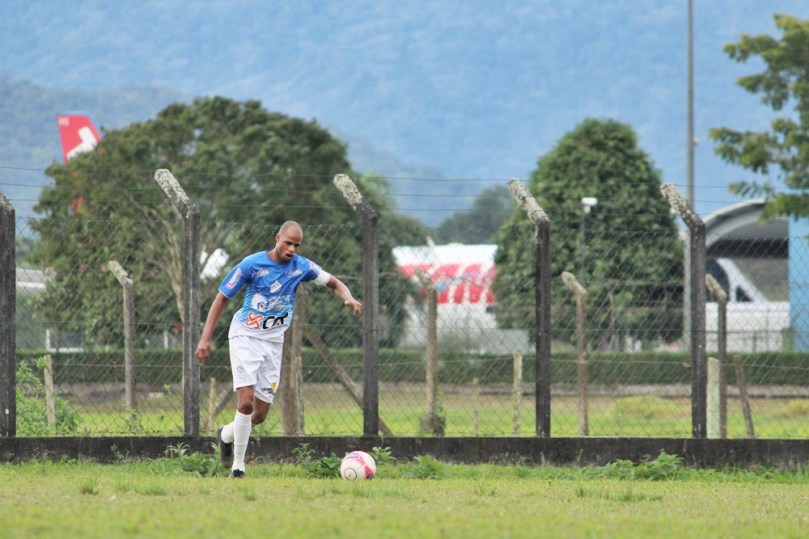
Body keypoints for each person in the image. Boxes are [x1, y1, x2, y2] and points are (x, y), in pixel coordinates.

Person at [194, 220, 362, 478]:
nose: (292, 249)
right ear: (277, 239)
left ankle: (226, 434)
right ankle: (238, 466)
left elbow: (335, 283)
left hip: (273, 343)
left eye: (297, 245)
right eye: (288, 243)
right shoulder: (251, 265)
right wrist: (205, 339)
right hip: (245, 337)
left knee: (259, 415)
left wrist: (348, 297)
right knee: (246, 403)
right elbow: (221, 298)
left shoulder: (302, 267)